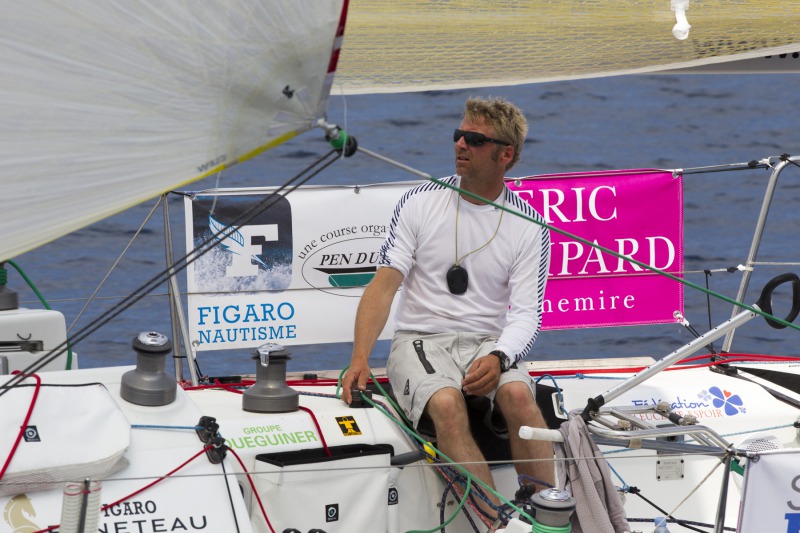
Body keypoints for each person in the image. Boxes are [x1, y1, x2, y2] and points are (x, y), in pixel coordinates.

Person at [341, 96, 553, 517]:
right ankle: (499, 522)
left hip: (486, 344)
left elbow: (527, 314)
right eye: (458, 135)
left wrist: (499, 356)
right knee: (445, 404)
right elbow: (384, 286)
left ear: (505, 155)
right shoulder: (421, 200)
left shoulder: (531, 224)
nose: (459, 145)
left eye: (474, 140)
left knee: (519, 397)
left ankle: (546, 511)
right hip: (420, 340)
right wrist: (359, 358)